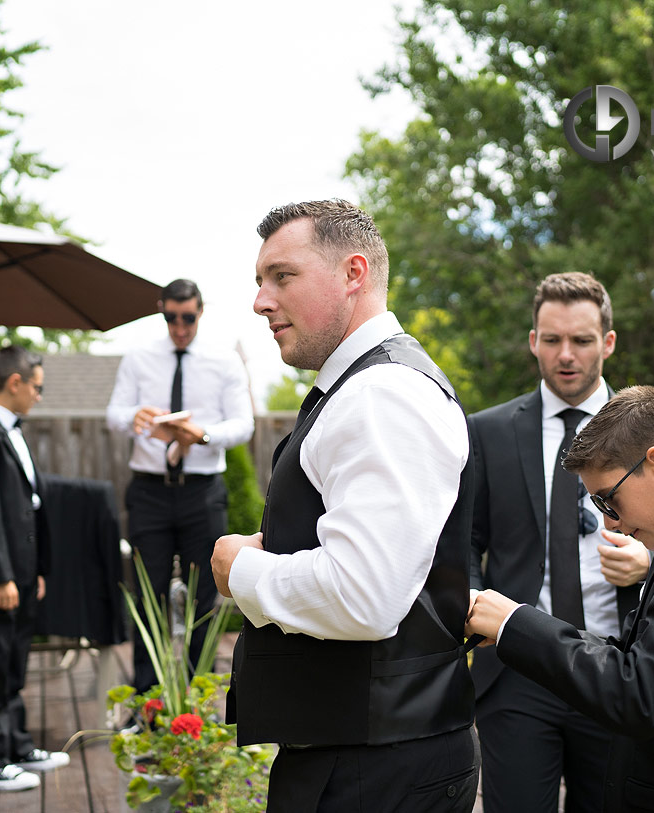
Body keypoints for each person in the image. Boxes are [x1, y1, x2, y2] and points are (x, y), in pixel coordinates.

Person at [211, 199, 479, 812]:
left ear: (353, 273)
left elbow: (363, 595)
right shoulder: (357, 389)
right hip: (359, 753)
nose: (260, 301)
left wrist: (240, 570)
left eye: (283, 276)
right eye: (259, 281)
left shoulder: (383, 393)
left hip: (377, 768)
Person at [465, 385, 654, 813]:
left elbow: (641, 694)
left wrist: (512, 622)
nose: (610, 522)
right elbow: (635, 657)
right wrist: (514, 629)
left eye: (608, 499)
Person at [467, 272, 650, 813]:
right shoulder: (488, 431)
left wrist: (650, 562)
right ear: (533, 342)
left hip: (619, 671)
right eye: (552, 340)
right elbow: (466, 542)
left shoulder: (652, 433)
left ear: (608, 343)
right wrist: (475, 608)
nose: (565, 355)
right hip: (517, 669)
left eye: (582, 340)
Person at [107, 279, 254, 694]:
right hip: (149, 491)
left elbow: (244, 424)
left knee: (203, 601)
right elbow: (114, 414)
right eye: (170, 317)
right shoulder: (139, 358)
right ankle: (149, 703)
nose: (179, 326)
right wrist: (134, 416)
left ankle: (196, 701)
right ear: (162, 311)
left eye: (187, 317)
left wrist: (202, 436)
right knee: (147, 598)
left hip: (201, 492)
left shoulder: (223, 361)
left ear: (200, 312)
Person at [0, 345, 69, 792]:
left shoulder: (15, 434)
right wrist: (2, 576)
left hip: (22, 576)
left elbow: (28, 508)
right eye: (37, 387)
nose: (40, 397)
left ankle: (17, 744)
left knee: (14, 664)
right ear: (16, 383)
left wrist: (35, 571)